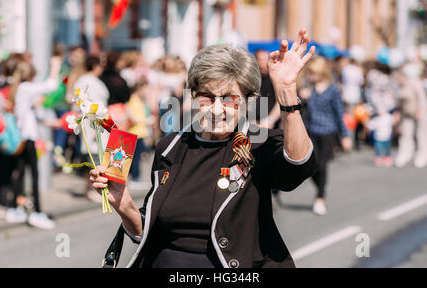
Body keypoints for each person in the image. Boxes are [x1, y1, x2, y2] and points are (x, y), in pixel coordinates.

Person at [90, 29, 318, 268]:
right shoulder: (171, 147)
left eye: (230, 99)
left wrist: (287, 95)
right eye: (207, 97)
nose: (217, 109)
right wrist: (123, 204)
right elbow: (147, 234)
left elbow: (298, 167)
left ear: (249, 101)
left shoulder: (258, 143)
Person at [10, 56, 62, 229]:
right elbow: (50, 86)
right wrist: (55, 67)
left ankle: (16, 208)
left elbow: (30, 115)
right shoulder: (25, 88)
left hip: (24, 137)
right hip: (29, 139)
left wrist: (50, 122)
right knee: (34, 174)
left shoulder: (20, 89)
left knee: (21, 172)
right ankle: (37, 212)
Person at [303, 57, 352, 216]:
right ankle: (321, 186)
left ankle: (320, 198)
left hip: (328, 132)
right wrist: (302, 97)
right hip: (311, 131)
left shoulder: (332, 89)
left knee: (322, 165)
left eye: (313, 73)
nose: (310, 76)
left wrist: (345, 136)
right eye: (309, 73)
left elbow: (339, 113)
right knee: (309, 167)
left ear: (320, 72)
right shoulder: (308, 88)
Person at [73, 55, 110, 202]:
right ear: (95, 66)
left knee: (96, 155)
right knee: (94, 156)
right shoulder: (87, 82)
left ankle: (88, 188)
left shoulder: (86, 81)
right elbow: (87, 105)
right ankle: (91, 188)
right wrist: (95, 127)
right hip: (93, 122)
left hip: (98, 121)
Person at [126, 78, 155, 186]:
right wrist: (146, 121)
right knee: (135, 157)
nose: (147, 92)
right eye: (146, 89)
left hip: (141, 132)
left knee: (139, 155)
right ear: (140, 88)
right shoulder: (133, 99)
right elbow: (132, 117)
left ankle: (134, 177)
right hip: (135, 132)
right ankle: (135, 178)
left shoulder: (141, 100)